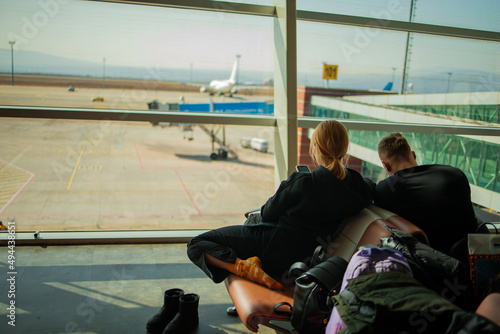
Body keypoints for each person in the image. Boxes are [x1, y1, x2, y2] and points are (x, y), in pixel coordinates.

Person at [187, 120, 372, 289]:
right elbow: (373, 188)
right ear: (344, 149)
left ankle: (245, 268)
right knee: (250, 222)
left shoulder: (302, 182)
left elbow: (267, 213)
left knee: (197, 244)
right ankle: (250, 271)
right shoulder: (358, 189)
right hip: (302, 258)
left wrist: (287, 187)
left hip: (273, 247)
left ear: (316, 147)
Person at [367, 132, 483, 255]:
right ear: (413, 155)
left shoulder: (386, 189)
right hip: (470, 255)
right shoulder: (454, 174)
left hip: (429, 261)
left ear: (385, 165)